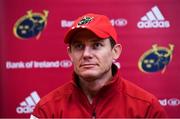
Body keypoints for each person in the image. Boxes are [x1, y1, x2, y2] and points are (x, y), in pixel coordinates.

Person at [30, 13, 167, 118]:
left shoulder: (147, 108)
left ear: (115, 52)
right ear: (70, 53)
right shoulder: (47, 109)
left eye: (97, 45)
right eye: (79, 46)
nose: (86, 54)